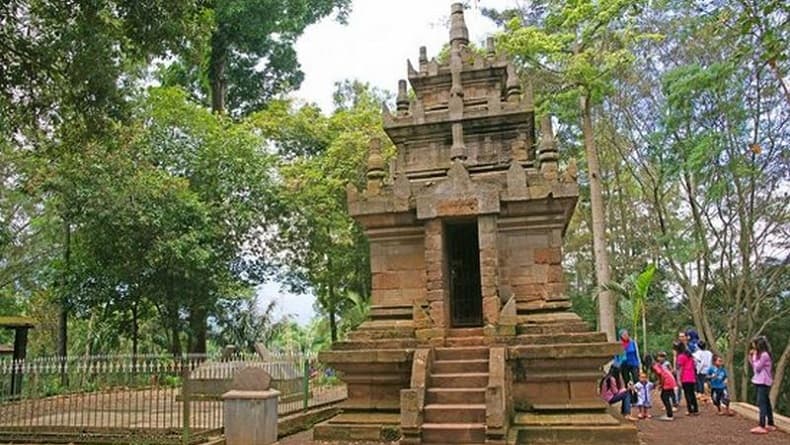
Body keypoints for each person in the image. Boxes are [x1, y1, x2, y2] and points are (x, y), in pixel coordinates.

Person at [749, 336, 776, 434]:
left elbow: (758, 368)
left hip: (763, 382)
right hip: (760, 380)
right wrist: (751, 358)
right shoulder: (762, 355)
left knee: (762, 403)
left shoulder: (764, 355)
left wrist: (754, 356)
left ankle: (762, 425)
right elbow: (754, 367)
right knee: (766, 402)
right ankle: (770, 423)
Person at [674, 341, 699, 415]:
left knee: (687, 394)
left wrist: (678, 379)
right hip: (692, 376)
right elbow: (694, 365)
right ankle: (695, 409)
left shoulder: (681, 357)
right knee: (692, 393)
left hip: (685, 377)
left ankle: (690, 410)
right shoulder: (690, 356)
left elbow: (680, 368)